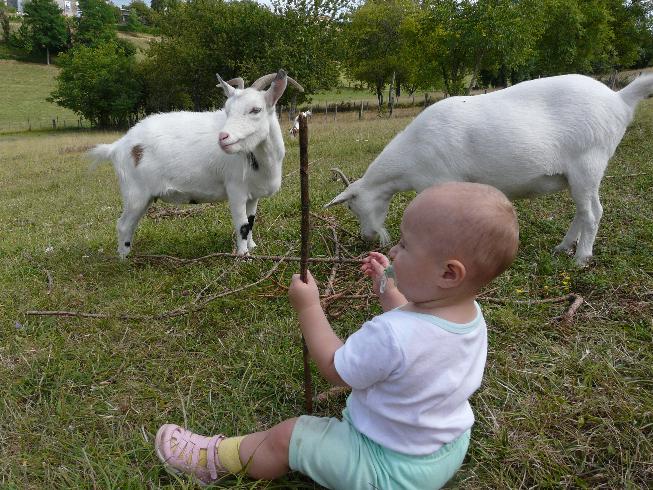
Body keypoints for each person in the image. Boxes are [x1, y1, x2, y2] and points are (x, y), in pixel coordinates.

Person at [154, 182, 519, 489]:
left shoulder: (391, 335)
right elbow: (418, 333)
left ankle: (214, 459)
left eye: (406, 245)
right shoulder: (468, 315)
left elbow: (334, 366)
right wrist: (388, 285)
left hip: (386, 468)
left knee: (289, 436)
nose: (394, 250)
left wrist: (309, 307)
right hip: (444, 449)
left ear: (449, 274)